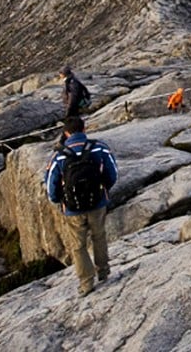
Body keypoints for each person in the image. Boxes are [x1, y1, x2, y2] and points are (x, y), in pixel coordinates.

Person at [44, 117, 119, 296]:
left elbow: (50, 184)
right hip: (97, 202)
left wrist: (58, 200)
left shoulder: (59, 155)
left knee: (78, 245)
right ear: (84, 129)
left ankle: (86, 282)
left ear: (66, 133)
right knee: (99, 236)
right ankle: (103, 271)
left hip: (72, 208)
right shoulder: (98, 147)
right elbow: (113, 173)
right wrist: (104, 190)